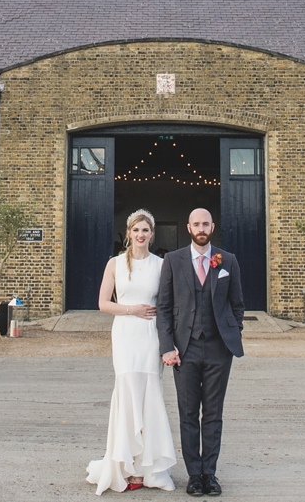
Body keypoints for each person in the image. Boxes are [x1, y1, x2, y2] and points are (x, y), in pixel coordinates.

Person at [87, 210, 177, 494]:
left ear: (152, 234)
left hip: (150, 337)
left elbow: (167, 306)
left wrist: (169, 343)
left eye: (146, 231)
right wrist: (131, 309)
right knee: (126, 392)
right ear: (129, 233)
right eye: (136, 230)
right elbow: (103, 303)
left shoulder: (162, 265)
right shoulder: (114, 264)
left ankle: (147, 470)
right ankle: (123, 467)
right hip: (125, 335)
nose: (141, 235)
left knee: (149, 394)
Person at [157, 208, 245, 497]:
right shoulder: (173, 260)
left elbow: (237, 304)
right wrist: (167, 346)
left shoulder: (227, 260)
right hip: (185, 349)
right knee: (188, 413)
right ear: (188, 227)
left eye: (205, 223)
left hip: (219, 349)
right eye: (196, 223)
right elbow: (165, 309)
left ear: (212, 226)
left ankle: (210, 473)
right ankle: (194, 475)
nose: (201, 228)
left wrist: (232, 332)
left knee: (214, 414)